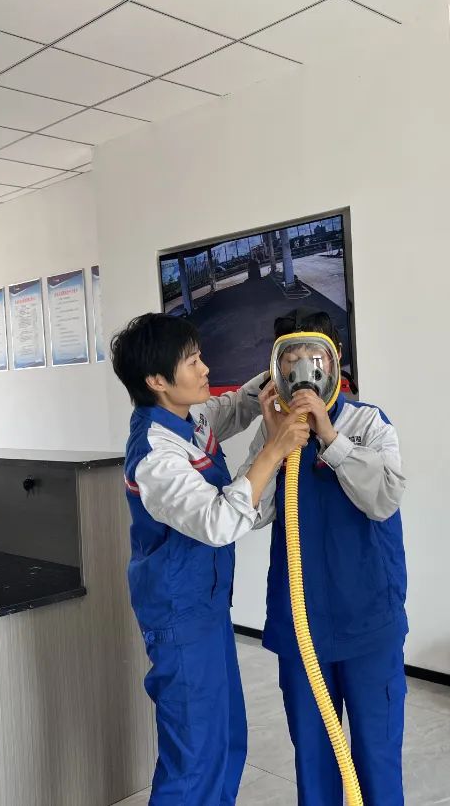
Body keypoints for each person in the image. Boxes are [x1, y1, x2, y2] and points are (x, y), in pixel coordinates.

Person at [111, 312, 309, 805]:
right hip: (179, 616)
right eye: (193, 361)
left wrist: (287, 366)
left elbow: (236, 405)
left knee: (225, 738)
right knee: (193, 757)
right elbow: (219, 522)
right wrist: (274, 448)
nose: (205, 369)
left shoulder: (188, 419)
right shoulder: (156, 455)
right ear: (157, 381)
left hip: (208, 604)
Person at [242, 307, 408, 806]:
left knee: (376, 755)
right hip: (301, 623)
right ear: (276, 369)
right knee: (314, 760)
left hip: (368, 620)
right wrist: (275, 443)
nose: (302, 373)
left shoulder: (369, 422)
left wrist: (331, 439)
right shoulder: (274, 436)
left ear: (334, 362)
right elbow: (250, 513)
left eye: (312, 358)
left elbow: (384, 498)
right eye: (289, 360)